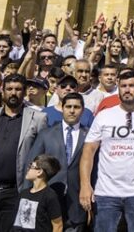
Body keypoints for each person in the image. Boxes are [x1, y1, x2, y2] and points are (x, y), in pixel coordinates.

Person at [79, 70, 134, 232]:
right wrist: (85, 185)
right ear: (118, 88)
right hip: (106, 193)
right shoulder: (104, 116)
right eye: (123, 86)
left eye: (132, 85)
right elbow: (88, 153)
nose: (127, 89)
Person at [0, 74, 48, 232]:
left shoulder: (38, 118)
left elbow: (41, 153)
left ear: (25, 91)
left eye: (18, 89)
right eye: (9, 89)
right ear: (2, 91)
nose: (13, 93)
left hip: (15, 192)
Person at [25, 93, 89, 231]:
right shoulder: (46, 134)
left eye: (76, 107)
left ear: (83, 110)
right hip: (48, 198)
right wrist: (27, 196)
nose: (72, 110)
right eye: (68, 106)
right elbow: (31, 166)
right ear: (62, 108)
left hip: (77, 202)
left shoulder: (90, 135)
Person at [12, 154, 62, 232]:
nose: (27, 169)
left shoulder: (50, 196)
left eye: (31, 166)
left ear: (39, 172)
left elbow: (58, 225)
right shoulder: (23, 193)